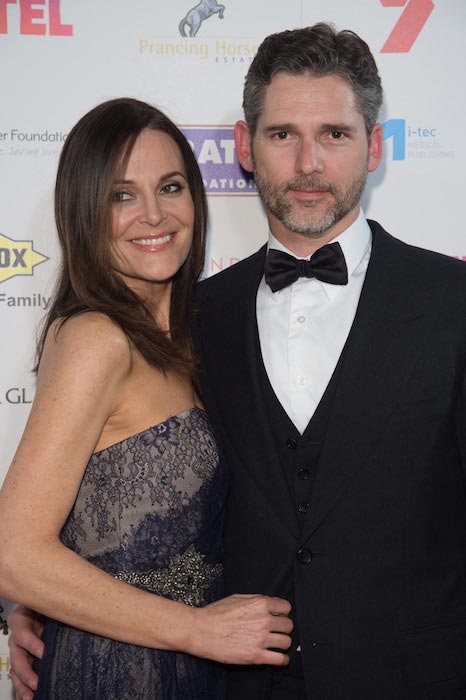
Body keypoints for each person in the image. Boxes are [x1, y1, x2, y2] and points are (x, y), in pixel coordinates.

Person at [8, 21, 466, 700]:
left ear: (374, 146)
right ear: (245, 148)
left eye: (334, 135)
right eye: (283, 135)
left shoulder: (452, 302)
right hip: (231, 681)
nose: (308, 164)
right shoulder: (193, 316)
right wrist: (37, 604)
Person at [0, 97, 293, 700]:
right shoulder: (96, 339)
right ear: (84, 211)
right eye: (122, 196)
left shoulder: (196, 333)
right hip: (121, 672)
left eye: (170, 186)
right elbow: (13, 553)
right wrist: (195, 629)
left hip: (195, 667)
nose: (154, 215)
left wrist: (37, 607)